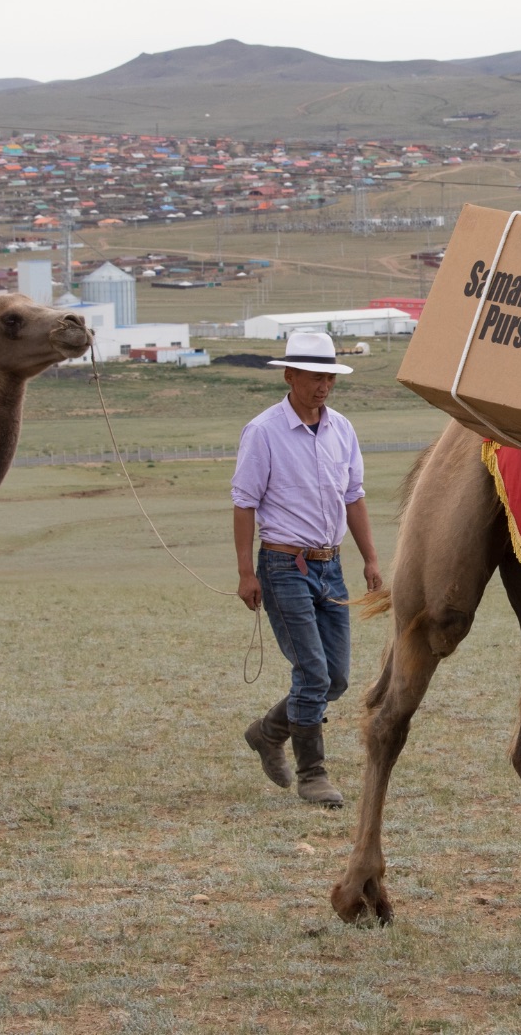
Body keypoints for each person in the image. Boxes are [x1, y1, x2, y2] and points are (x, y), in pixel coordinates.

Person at [232, 331, 385, 808]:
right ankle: (312, 775)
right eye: (315, 376)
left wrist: (371, 559)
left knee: (335, 679)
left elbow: (353, 496)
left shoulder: (341, 428)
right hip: (282, 565)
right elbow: (244, 502)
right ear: (290, 375)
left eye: (329, 377)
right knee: (313, 673)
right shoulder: (263, 431)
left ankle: (266, 732)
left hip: (330, 565)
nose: (323, 386)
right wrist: (245, 573)